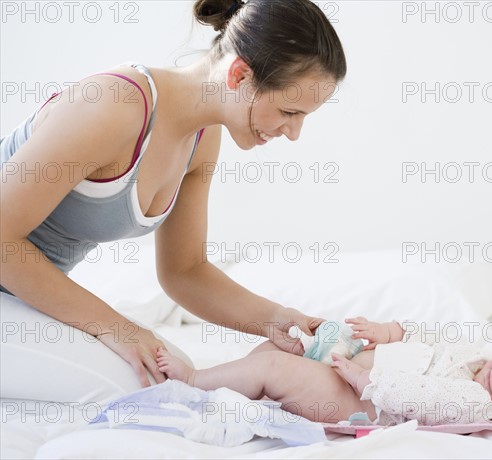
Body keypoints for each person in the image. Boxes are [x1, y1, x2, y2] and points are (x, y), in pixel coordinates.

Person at [0, 0, 345, 399]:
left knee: (170, 371)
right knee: (139, 385)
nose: (294, 133)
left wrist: (275, 320)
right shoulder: (114, 104)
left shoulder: (202, 138)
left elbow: (185, 270)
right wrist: (119, 328)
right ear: (238, 75)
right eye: (289, 110)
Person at [156, 317, 492, 425]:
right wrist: (391, 329)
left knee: (273, 365)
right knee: (273, 349)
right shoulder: (474, 357)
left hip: (356, 398)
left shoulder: (474, 402)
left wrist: (365, 380)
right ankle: (225, 390)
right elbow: (429, 332)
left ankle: (192, 382)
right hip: (346, 370)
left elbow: (420, 399)